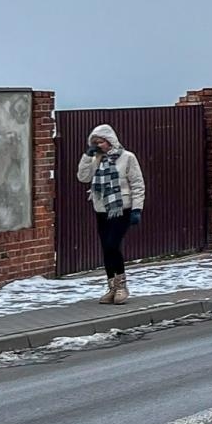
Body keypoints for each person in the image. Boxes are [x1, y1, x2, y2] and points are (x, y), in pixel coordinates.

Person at [78, 124, 145, 305]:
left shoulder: (127, 158)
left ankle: (122, 286)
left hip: (121, 208)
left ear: (110, 141)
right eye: (95, 143)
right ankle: (112, 287)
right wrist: (87, 156)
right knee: (106, 249)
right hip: (101, 209)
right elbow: (83, 177)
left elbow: (137, 184)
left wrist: (137, 209)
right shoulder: (95, 160)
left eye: (100, 142)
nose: (98, 145)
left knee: (112, 244)